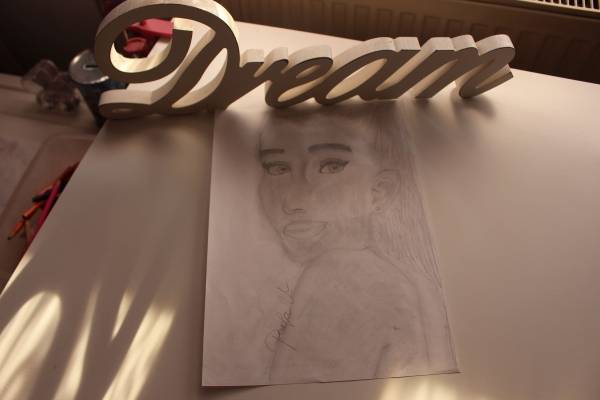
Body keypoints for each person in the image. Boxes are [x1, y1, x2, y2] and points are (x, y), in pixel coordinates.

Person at [257, 102, 456, 383]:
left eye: (330, 166)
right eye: (277, 168)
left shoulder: (344, 273)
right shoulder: (408, 282)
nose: (294, 201)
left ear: (380, 190)